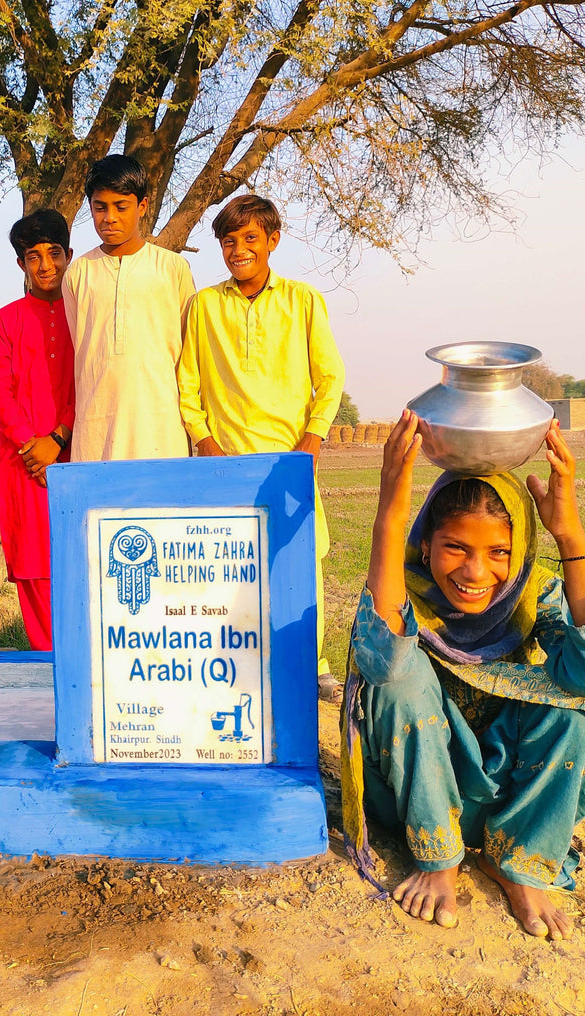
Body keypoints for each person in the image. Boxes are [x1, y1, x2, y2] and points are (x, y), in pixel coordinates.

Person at [341, 412, 585, 940]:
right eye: (455, 548)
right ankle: (439, 860)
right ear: (426, 544)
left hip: (504, 789)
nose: (476, 574)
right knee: (399, 677)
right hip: (408, 795)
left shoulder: (531, 595)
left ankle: (516, 860)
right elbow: (383, 665)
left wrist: (569, 532)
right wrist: (391, 508)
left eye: (499, 553)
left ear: (518, 554)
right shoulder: (400, 594)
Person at [177, 194, 345, 701]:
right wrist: (203, 440)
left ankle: (310, 664)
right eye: (229, 241)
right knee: (229, 564)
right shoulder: (205, 305)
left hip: (291, 458)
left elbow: (329, 377)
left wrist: (312, 438)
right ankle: (235, 662)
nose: (238, 250)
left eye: (250, 238)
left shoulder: (303, 300)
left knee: (301, 559)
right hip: (224, 462)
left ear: (273, 240)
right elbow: (188, 382)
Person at [62, 154, 196, 461]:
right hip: (95, 428)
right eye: (100, 207)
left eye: (121, 207)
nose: (109, 217)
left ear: (143, 206)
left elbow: (190, 355)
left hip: (161, 427)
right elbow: (81, 350)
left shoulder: (172, 268)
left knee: (161, 509)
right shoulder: (78, 273)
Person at [0, 210, 76, 649]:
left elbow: (96, 379)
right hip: (25, 467)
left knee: (87, 563)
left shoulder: (86, 314)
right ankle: (48, 677)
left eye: (54, 254)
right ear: (21, 264)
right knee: (37, 571)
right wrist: (32, 448)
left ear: (69, 256)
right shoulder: (5, 321)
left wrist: (58, 439)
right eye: (33, 256)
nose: (45, 266)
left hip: (79, 455)